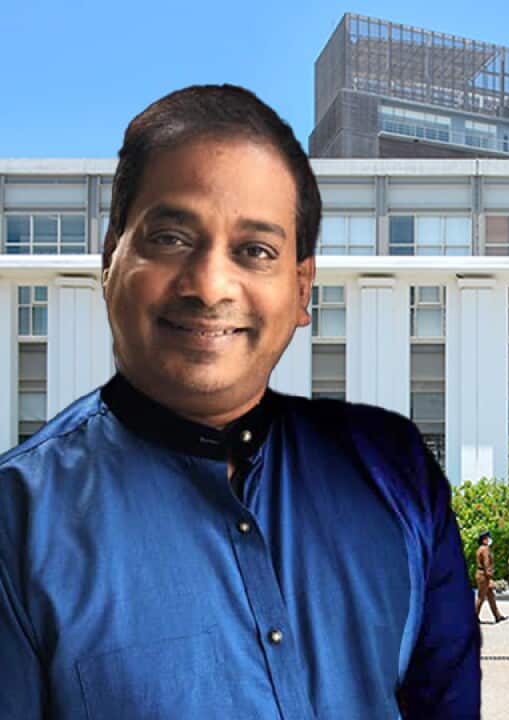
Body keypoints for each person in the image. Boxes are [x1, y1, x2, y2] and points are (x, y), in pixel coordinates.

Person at [0, 85, 479, 718]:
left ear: (302, 288)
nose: (209, 287)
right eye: (171, 238)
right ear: (110, 256)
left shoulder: (392, 469)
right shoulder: (17, 521)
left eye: (255, 251)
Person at [475, 531, 508, 624]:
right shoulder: (485, 549)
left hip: (481, 573)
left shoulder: (480, 548)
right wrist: (489, 576)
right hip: (484, 575)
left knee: (491, 596)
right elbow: (486, 563)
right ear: (484, 540)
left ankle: (497, 616)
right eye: (487, 538)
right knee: (481, 597)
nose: (489, 540)